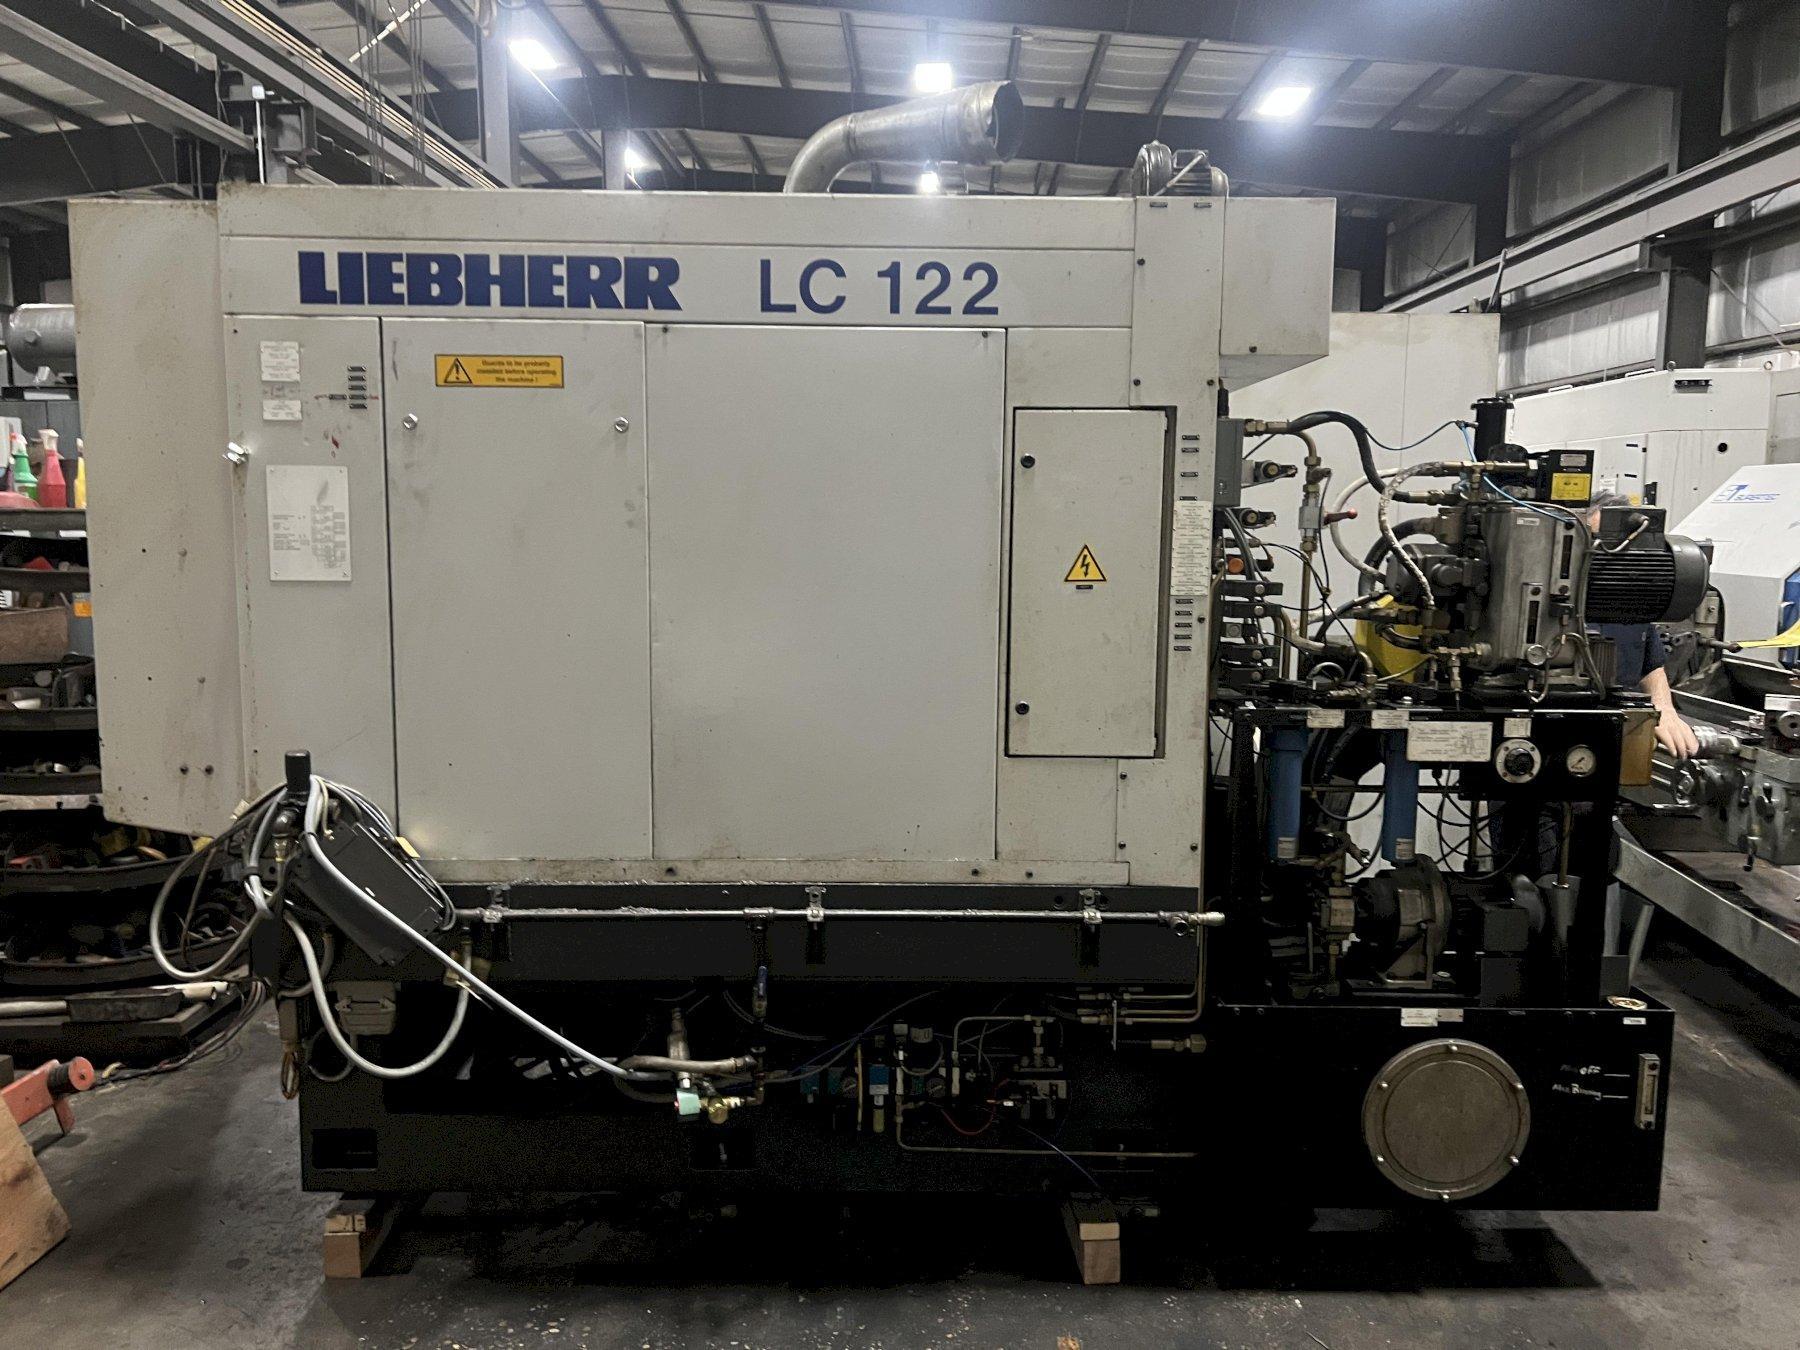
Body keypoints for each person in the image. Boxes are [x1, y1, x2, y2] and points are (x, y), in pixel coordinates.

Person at [1586, 489, 1699, 760]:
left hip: (1621, 732)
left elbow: (1651, 666)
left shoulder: (1633, 602)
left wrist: (1664, 710)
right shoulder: (1560, 600)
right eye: (1600, 544)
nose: (1612, 556)